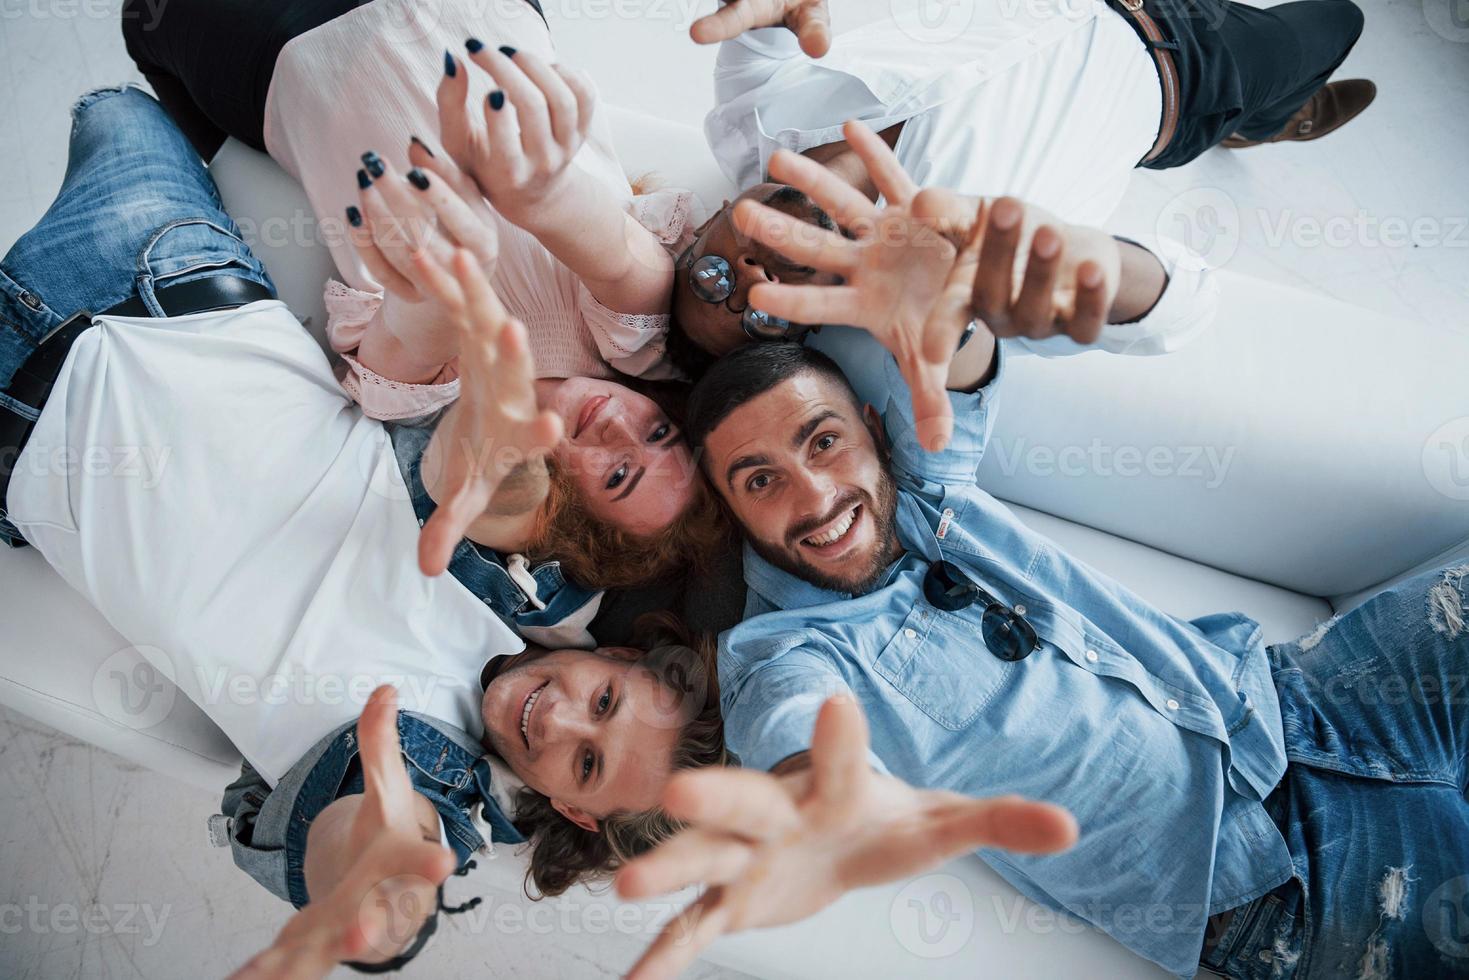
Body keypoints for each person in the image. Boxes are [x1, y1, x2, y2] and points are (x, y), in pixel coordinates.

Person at [610, 146, 1469, 980]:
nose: (815, 497)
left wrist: (950, 298)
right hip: (1279, 886)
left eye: (824, 442)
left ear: (874, 429)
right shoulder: (782, 654)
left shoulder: (925, 494)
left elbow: (965, 362)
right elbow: (795, 743)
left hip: (1306, 700)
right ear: (730, 507)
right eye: (761, 480)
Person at [0, 85, 723, 972]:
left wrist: (377, 884)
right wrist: (483, 388)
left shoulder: (433, 782)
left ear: (573, 812)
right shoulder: (542, 580)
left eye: (585, 764)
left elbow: (376, 828)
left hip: (18, 439)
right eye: (604, 703)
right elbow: (482, 479)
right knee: (111, 107)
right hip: (166, 273)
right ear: (616, 660)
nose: (562, 718)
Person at [120, 0, 728, 607]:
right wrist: (544, 196)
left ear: (556, 514)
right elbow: (622, 256)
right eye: (658, 430)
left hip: (278, 47)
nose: (622, 426)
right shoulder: (639, 338)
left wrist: (453, 285)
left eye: (619, 476)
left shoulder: (429, 404)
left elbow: (411, 335)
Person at [668, 0, 1373, 423]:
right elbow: (1181, 309)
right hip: (1192, 69)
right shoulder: (956, 281)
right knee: (1337, 19)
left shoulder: (749, 113)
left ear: (704, 223)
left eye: (712, 280)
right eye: (761, 316)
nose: (751, 277)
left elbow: (767, 24)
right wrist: (1078, 258)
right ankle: (1269, 118)